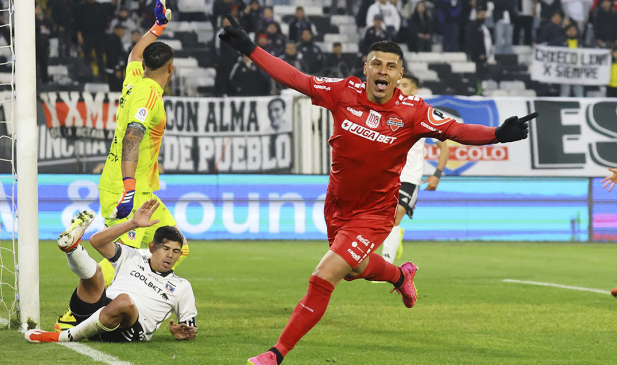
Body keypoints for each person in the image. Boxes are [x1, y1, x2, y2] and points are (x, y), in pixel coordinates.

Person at [219, 15, 534, 365]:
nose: (383, 71)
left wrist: (496, 134)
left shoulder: (414, 112)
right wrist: (249, 48)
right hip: (336, 205)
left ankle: (276, 354)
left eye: (392, 66)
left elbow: (455, 130)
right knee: (353, 270)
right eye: (377, 64)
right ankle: (401, 274)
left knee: (324, 276)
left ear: (400, 76)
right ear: (365, 68)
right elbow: (295, 78)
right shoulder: (343, 92)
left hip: (373, 213)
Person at [55, 0, 190, 331]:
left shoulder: (134, 78)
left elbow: (134, 54)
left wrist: (156, 27)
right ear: (170, 69)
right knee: (122, 254)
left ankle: (124, 296)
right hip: (128, 186)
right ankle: (77, 311)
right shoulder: (150, 96)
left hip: (132, 183)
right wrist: (130, 187)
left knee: (178, 247)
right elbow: (133, 135)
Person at [25, 200, 197, 343]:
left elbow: (189, 328)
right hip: (93, 313)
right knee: (96, 272)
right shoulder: (132, 256)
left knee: (125, 301)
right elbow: (97, 242)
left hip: (126, 330)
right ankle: (72, 249)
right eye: (165, 248)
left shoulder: (182, 286)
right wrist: (133, 223)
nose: (170, 255)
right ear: (152, 247)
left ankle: (61, 337)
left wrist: (179, 331)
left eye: (175, 251)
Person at [380, 74, 449, 264]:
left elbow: (443, 146)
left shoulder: (424, 113)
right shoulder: (385, 110)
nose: (400, 87)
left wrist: (437, 174)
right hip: (385, 174)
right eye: (398, 84)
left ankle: (385, 265)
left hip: (409, 175)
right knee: (382, 220)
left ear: (415, 90)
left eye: (405, 85)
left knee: (395, 215)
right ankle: (395, 237)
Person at [467, 4, 491, 95]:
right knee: (478, 74)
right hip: (477, 55)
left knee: (483, 73)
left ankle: (481, 89)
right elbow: (475, 41)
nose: (483, 16)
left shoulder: (483, 26)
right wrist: (479, 53)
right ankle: (477, 90)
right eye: (482, 14)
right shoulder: (474, 26)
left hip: (484, 55)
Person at [559, 23, 585, 97]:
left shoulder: (581, 42)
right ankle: (562, 106)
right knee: (565, 91)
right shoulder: (561, 41)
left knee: (579, 91)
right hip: (565, 69)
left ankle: (581, 107)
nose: (572, 32)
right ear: (566, 31)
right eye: (570, 30)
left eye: (574, 30)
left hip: (578, 69)